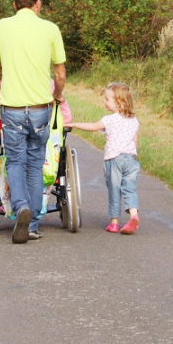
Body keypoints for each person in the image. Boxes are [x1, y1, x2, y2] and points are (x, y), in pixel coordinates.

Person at [0, 0, 66, 243]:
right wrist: (56, 96)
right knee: (34, 163)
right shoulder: (51, 29)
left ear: (14, 4)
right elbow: (60, 74)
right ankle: (32, 224)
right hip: (41, 108)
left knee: (15, 161)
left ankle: (21, 208)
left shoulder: (0, 27)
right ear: (38, 3)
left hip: (12, 108)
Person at [66, 82, 140, 235]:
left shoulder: (110, 119)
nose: (104, 102)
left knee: (114, 190)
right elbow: (135, 140)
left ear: (118, 102)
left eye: (107, 99)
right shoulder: (134, 121)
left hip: (114, 159)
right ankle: (134, 215)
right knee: (129, 189)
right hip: (131, 159)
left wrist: (73, 124)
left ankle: (114, 222)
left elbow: (93, 126)